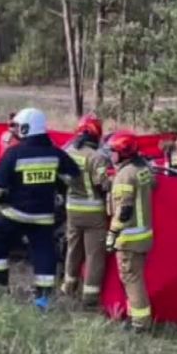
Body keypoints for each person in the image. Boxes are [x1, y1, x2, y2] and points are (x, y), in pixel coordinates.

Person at [0, 107, 80, 312]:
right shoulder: (55, 153)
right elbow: (73, 176)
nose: (16, 130)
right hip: (43, 216)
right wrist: (57, 188)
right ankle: (43, 300)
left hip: (14, 214)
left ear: (27, 128)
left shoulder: (14, 153)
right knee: (44, 251)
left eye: (18, 126)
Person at [106, 132, 155, 331]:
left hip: (129, 238)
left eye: (113, 151)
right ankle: (134, 317)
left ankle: (139, 323)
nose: (110, 155)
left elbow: (124, 211)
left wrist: (112, 234)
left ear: (123, 153)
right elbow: (154, 184)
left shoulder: (124, 176)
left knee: (131, 279)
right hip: (144, 236)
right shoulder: (142, 169)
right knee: (134, 278)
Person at [62, 114, 112, 306]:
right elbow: (103, 184)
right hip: (93, 212)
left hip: (72, 209)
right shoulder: (98, 157)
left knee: (73, 249)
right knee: (94, 255)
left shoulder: (68, 151)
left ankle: (68, 286)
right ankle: (90, 297)